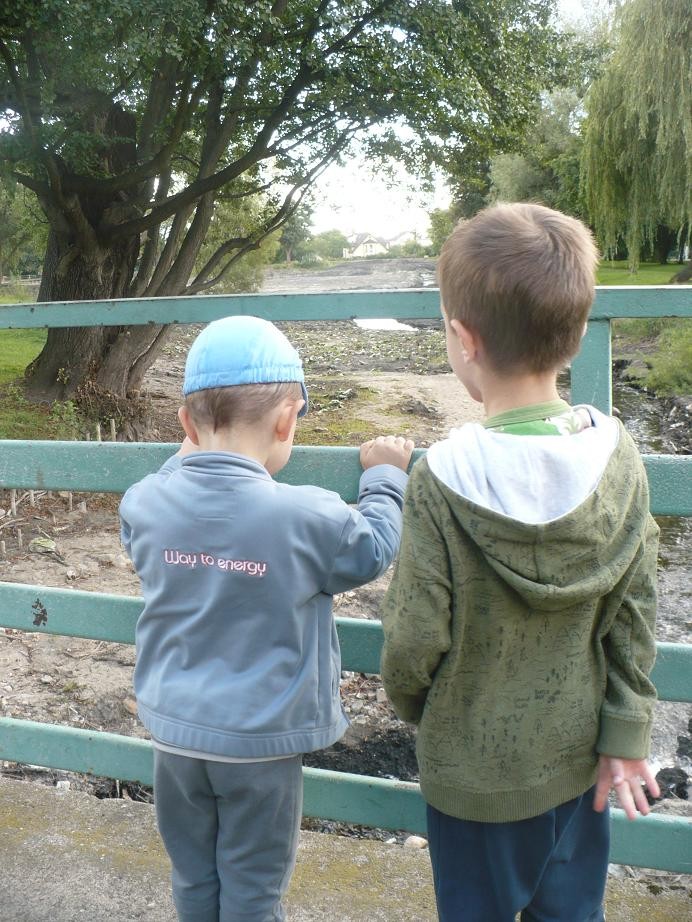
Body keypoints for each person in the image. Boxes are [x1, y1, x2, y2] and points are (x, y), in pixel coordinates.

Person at [380, 203, 661, 922]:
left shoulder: (439, 478)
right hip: (577, 765)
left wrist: (419, 706)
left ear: (464, 340)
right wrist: (626, 732)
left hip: (471, 776)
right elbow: (634, 609)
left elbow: (414, 639)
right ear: (570, 340)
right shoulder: (619, 455)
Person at [119, 315, 414, 922]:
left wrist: (190, 453)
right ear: (287, 421)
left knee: (194, 876)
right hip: (259, 745)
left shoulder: (144, 502)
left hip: (174, 734)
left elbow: (156, 494)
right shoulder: (310, 517)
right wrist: (385, 476)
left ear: (185, 425)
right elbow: (376, 548)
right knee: (253, 889)